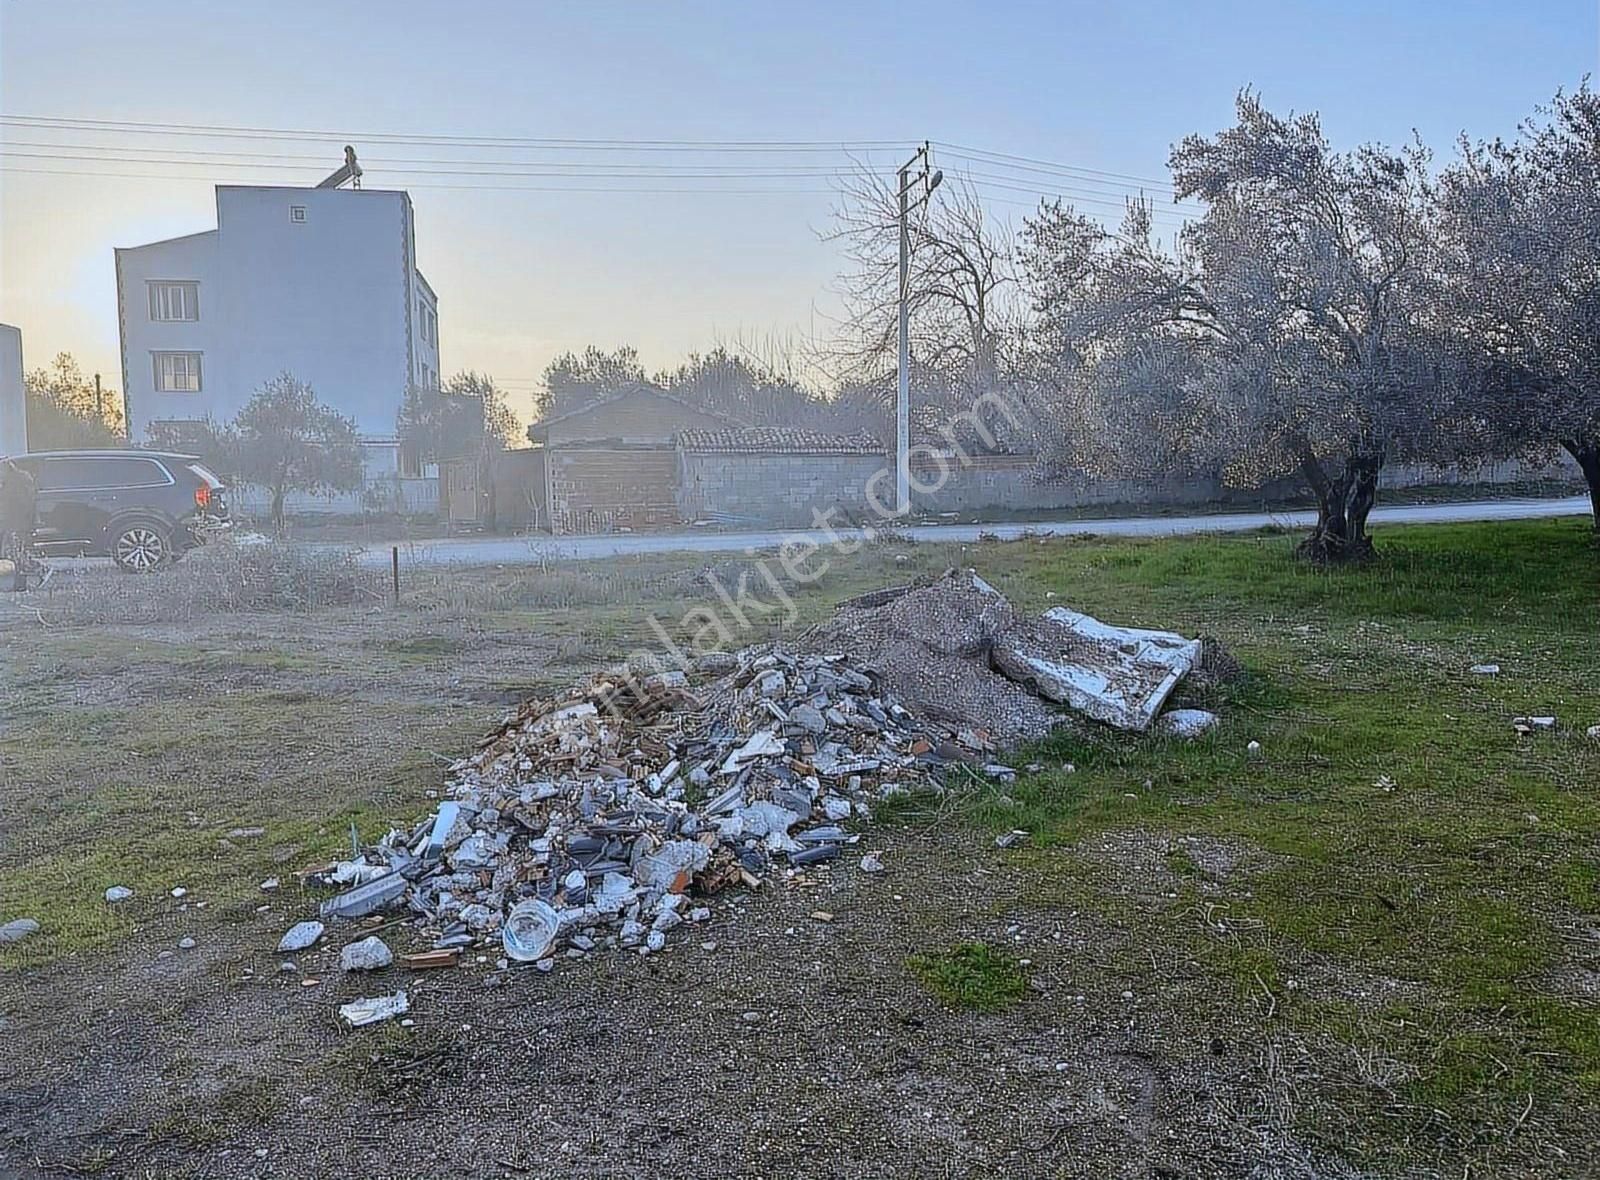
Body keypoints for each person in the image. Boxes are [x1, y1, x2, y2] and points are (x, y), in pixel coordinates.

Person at [0, 458, 39, 591]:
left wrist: (27, 524)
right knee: (13, 554)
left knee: (18, 553)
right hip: (8, 524)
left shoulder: (22, 479)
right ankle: (21, 581)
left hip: (19, 524)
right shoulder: (6, 480)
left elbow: (28, 503)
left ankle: (36, 571)